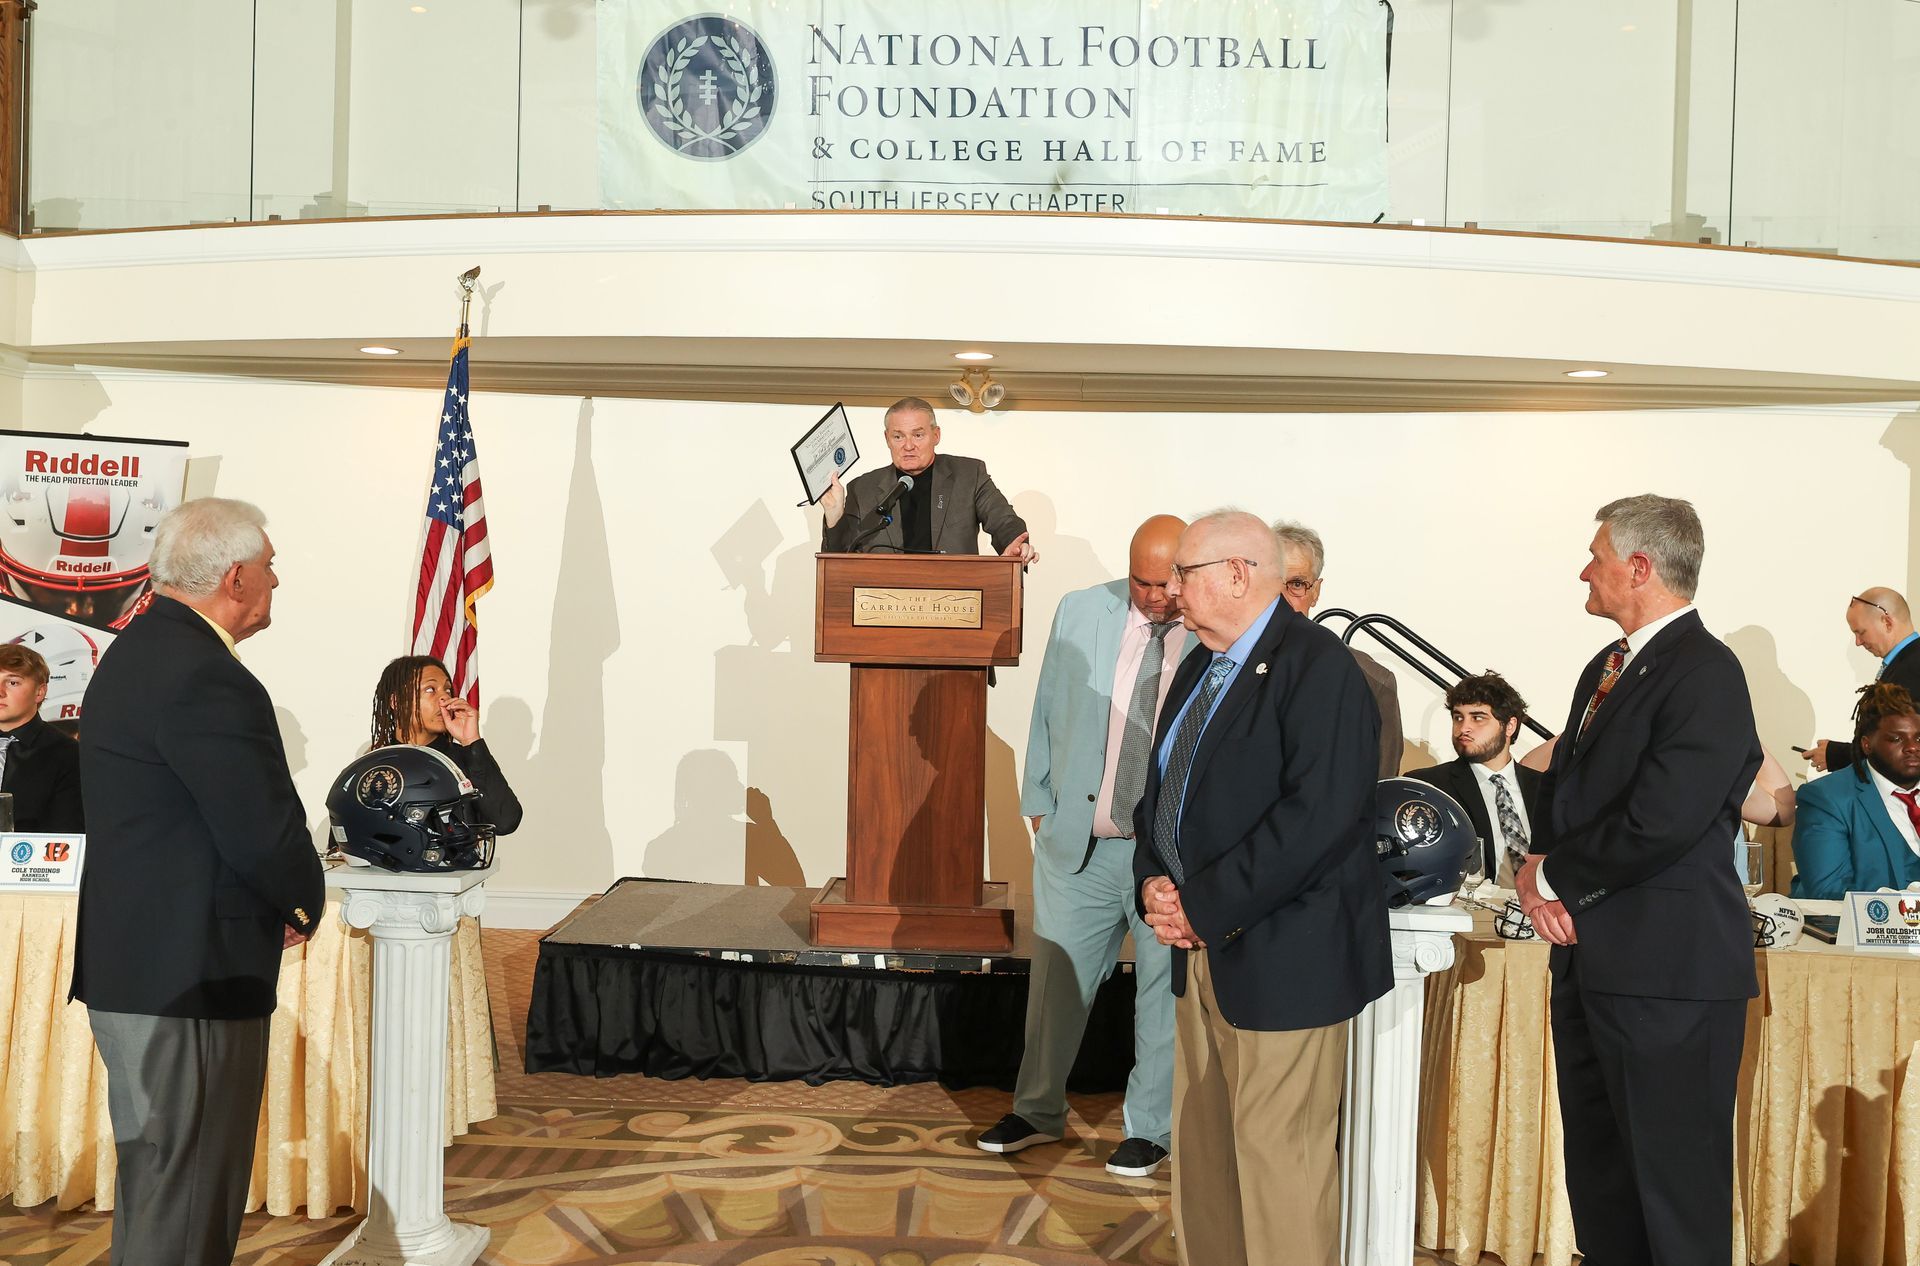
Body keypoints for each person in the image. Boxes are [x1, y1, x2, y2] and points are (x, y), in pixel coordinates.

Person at [70, 497, 324, 1266]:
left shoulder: (140, 649)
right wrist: (299, 901)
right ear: (237, 577)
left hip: (144, 968)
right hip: (191, 975)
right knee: (184, 1200)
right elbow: (259, 825)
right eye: (272, 567)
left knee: (161, 1186)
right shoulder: (204, 674)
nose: (278, 581)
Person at [1133, 511, 1390, 1266]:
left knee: (1283, 1166)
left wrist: (1200, 906)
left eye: (1186, 572)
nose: (1172, 589)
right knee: (1207, 1157)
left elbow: (1316, 821)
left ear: (1239, 574)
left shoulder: (1321, 670)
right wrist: (1153, 881)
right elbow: (1161, 797)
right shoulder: (1197, 663)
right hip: (1199, 951)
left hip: (1286, 960)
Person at [1517, 494, 1759, 1266]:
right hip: (1592, 963)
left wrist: (1552, 875)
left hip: (1670, 979)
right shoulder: (1607, 665)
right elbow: (1571, 788)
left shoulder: (1707, 673)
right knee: (1603, 1183)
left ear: (1640, 566)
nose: (1583, 570)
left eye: (1596, 555)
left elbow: (1665, 819)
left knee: (1674, 1196)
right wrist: (1534, 868)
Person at [980, 514, 1191, 1178]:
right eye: (1142, 581)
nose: (1155, 597)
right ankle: (1036, 1110)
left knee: (1162, 995)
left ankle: (1149, 1130)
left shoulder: (1213, 631)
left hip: (1167, 858)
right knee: (1055, 986)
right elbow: (1048, 704)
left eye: (1166, 583)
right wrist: (1036, 802)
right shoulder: (1080, 610)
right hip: (1080, 843)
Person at [819, 397, 1036, 561]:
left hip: (954, 602)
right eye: (898, 436)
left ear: (936, 435)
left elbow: (1003, 520)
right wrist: (834, 516)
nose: (908, 445)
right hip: (886, 606)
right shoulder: (862, 488)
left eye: (918, 435)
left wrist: (1015, 543)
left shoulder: (969, 475)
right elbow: (841, 560)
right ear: (887, 439)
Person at [1270, 520, 1403, 778]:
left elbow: (1380, 784)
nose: (1283, 598)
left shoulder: (1372, 681)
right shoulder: (1222, 663)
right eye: (1274, 583)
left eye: (1297, 584)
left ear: (1316, 591)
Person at [1405, 672, 1541, 887]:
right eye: (1458, 717)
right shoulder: (1429, 786)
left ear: (1510, 726)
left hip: (1543, 912)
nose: (1464, 728)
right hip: (1473, 911)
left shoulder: (1547, 788)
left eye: (1477, 718)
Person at [1789, 682, 1920, 898]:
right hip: (1852, 929)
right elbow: (1828, 892)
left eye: (1919, 738)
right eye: (1896, 739)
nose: (1912, 747)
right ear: (1866, 745)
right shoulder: (1826, 798)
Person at [369, 654, 523, 834]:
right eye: (430, 689)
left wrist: (471, 741)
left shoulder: (465, 759)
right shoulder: (374, 766)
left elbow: (505, 821)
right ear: (397, 701)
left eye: (448, 690)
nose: (444, 698)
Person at [1802, 587, 1920, 772]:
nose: (1858, 642)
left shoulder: (1912, 669)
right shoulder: (1906, 663)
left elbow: (1899, 745)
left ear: (1887, 622)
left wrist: (1837, 755)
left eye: (1861, 632)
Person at [0, 643, 82, 832]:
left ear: (40, 692)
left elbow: (66, 838)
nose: (0, 692)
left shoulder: (68, 754)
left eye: (13, 682)